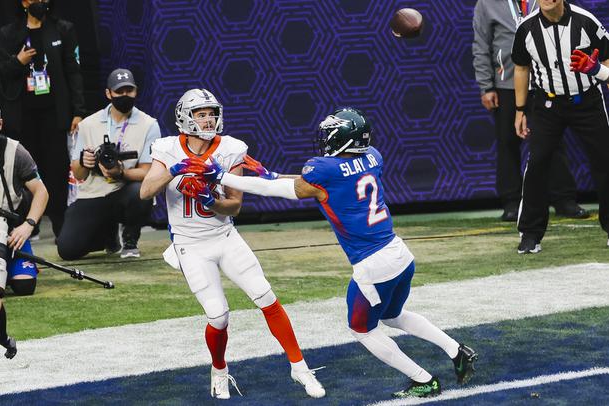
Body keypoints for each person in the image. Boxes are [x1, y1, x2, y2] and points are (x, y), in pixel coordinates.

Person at [192, 107, 478, 399]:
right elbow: (314, 182)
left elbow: (277, 190)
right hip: (400, 254)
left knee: (361, 330)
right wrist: (273, 175)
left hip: (372, 266)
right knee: (392, 316)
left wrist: (222, 176)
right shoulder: (373, 156)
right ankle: (456, 350)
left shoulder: (324, 169)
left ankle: (424, 380)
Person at [140, 88, 326, 400]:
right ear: (185, 117)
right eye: (201, 113)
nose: (209, 118)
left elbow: (234, 205)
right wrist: (175, 170)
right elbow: (145, 192)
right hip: (190, 244)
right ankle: (219, 369)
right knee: (218, 315)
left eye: (212, 112)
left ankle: (299, 366)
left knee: (265, 296)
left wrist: (209, 199)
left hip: (224, 236)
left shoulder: (230, 148)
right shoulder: (168, 148)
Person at [472, 0, 587, 222]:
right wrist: (486, 86)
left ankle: (563, 199)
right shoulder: (487, 3)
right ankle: (512, 202)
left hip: (545, 81)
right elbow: (481, 44)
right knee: (507, 142)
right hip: (506, 84)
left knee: (552, 141)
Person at [512, 0, 609, 253]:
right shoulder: (526, 28)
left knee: (605, 162)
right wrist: (520, 110)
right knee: (537, 165)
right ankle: (531, 234)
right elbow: (521, 68)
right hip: (548, 103)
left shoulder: (586, 21)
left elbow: (608, 62)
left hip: (587, 100)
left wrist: (597, 69)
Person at [0, 0, 86, 238]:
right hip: (21, 116)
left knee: (56, 170)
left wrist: (78, 111)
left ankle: (61, 226)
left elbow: (73, 71)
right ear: (24, 2)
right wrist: (18, 62)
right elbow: (2, 72)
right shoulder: (8, 34)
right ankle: (30, 224)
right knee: (25, 172)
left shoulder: (63, 29)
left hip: (54, 115)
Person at [56, 69, 159, 260]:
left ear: (136, 91)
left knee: (142, 192)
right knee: (68, 250)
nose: (124, 96)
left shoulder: (149, 124)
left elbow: (149, 172)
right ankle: (106, 234)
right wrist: (84, 162)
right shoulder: (88, 124)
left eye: (129, 91)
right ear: (108, 93)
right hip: (93, 193)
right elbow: (78, 175)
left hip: (125, 192)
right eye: (119, 92)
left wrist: (120, 172)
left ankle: (130, 238)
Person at [0, 106, 49, 358]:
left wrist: (28, 225)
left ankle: (7, 269)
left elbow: (41, 191)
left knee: (25, 286)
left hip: (10, 227)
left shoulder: (16, 151)